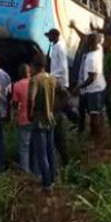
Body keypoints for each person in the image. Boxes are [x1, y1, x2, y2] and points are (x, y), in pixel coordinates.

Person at [28, 54, 57, 191]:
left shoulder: (35, 80)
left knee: (41, 153)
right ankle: (53, 178)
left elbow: (30, 99)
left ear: (34, 66)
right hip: (50, 118)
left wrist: (29, 113)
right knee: (51, 151)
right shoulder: (52, 78)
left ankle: (46, 183)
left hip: (39, 119)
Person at [44, 28, 71, 165]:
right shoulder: (54, 46)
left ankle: (73, 117)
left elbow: (63, 67)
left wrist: (53, 77)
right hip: (56, 78)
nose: (48, 38)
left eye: (50, 36)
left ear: (55, 36)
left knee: (62, 103)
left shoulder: (59, 47)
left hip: (59, 79)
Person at [75, 33, 107, 144]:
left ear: (89, 43)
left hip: (94, 89)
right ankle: (98, 134)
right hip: (100, 86)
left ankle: (98, 140)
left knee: (94, 115)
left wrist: (79, 87)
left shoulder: (91, 58)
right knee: (98, 112)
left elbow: (91, 78)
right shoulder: (99, 49)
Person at [11, 64, 34, 174]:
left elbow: (15, 104)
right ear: (30, 72)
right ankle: (37, 171)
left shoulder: (17, 85)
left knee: (24, 147)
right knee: (35, 145)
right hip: (36, 119)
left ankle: (25, 171)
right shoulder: (35, 82)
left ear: (20, 74)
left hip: (23, 119)